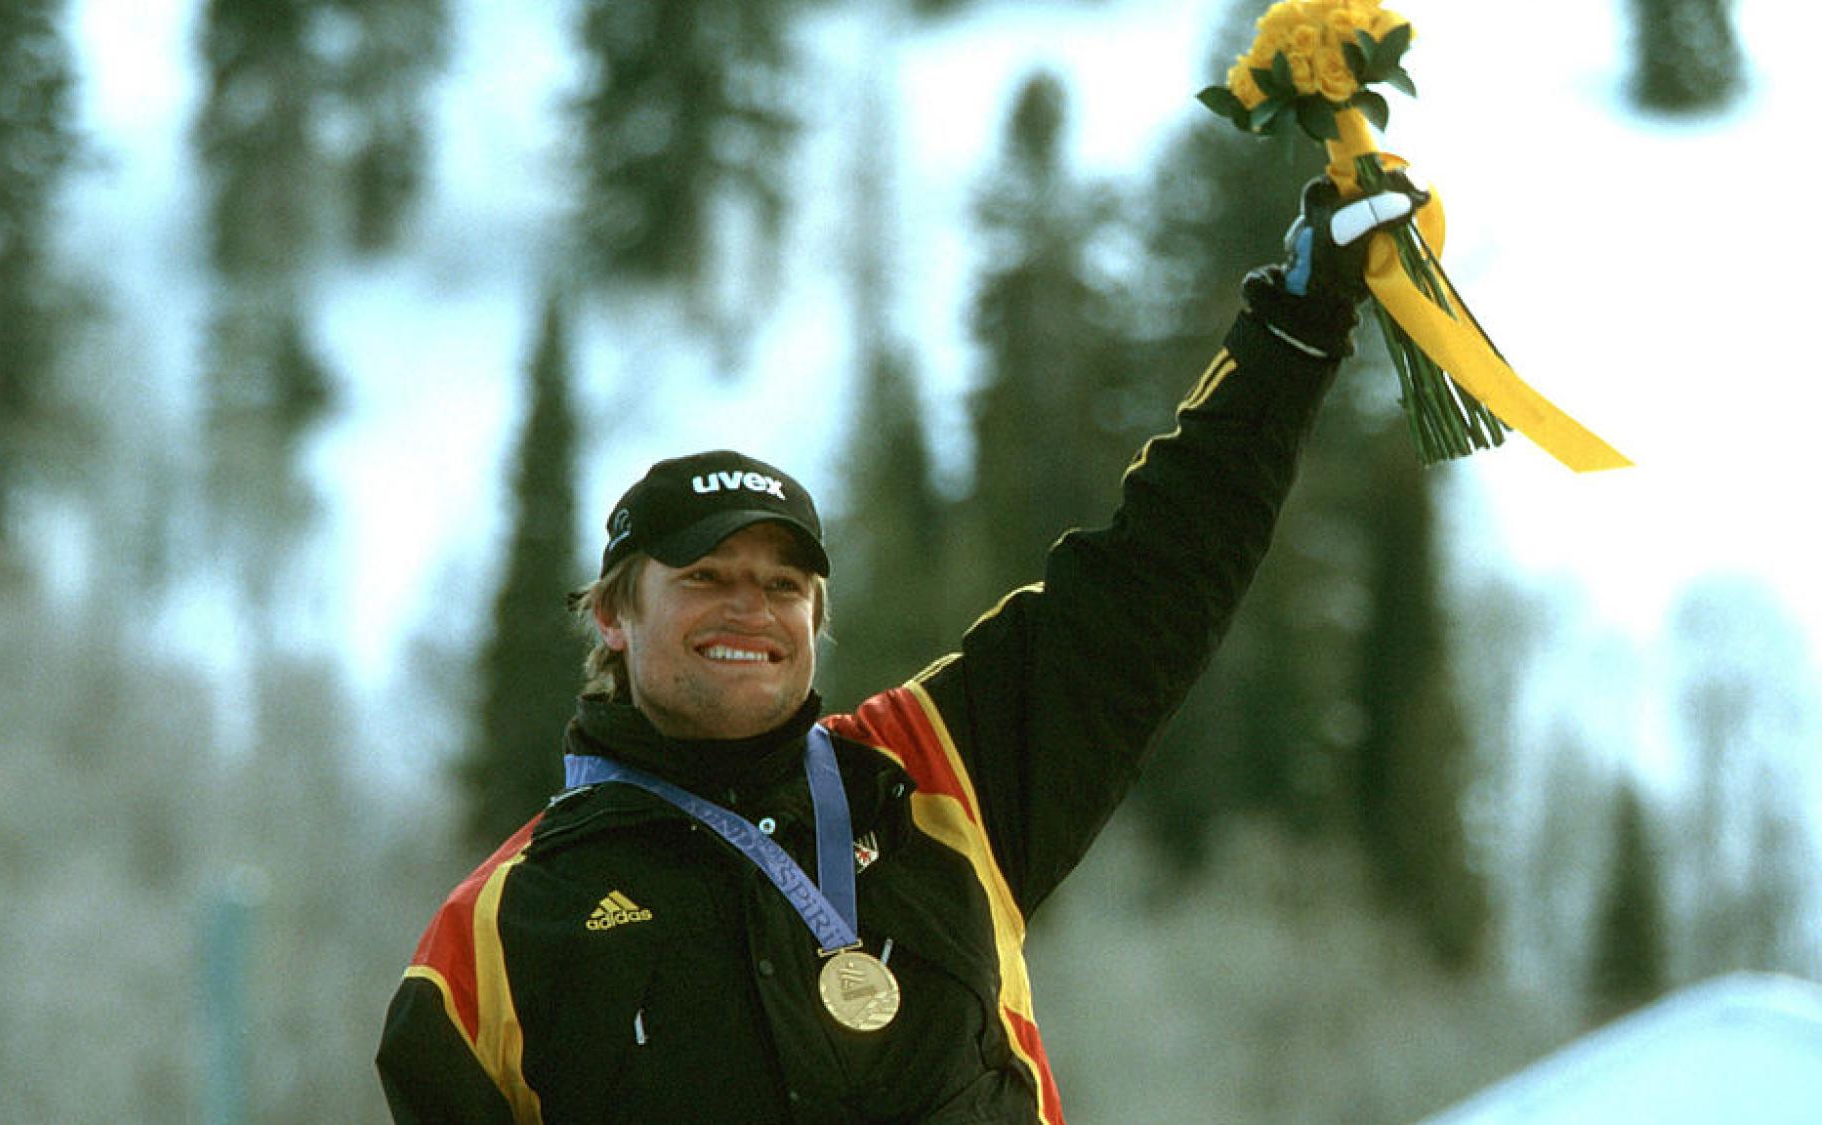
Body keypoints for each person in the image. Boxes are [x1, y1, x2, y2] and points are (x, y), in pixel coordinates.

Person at [375, 176, 1424, 1123]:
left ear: (814, 619)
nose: (750, 610)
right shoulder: (493, 936)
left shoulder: (933, 778)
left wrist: (1292, 329)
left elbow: (1151, 579)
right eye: (703, 578)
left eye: (783, 585)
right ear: (612, 613)